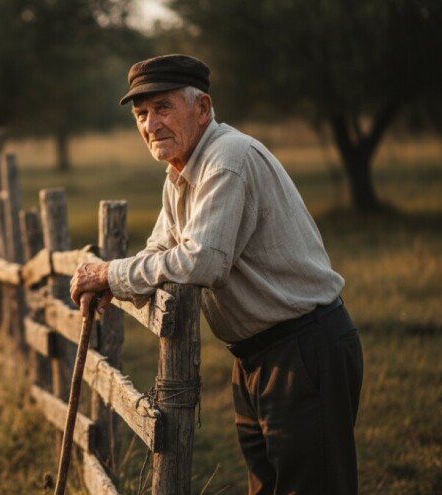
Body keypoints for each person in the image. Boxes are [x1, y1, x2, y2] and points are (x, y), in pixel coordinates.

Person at [70, 54, 363, 494]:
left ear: (203, 108)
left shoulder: (227, 160)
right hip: (256, 355)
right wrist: (118, 281)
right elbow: (160, 249)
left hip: (303, 349)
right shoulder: (181, 172)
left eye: (163, 108)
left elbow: (201, 261)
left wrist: (111, 274)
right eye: (141, 114)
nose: (150, 125)